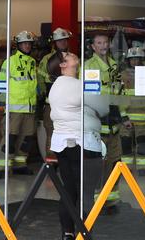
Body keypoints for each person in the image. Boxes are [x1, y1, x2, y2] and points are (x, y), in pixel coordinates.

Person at [47, 51, 108, 240]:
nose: (73, 53)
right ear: (63, 65)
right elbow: (103, 107)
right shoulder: (76, 86)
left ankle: (67, 232)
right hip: (84, 142)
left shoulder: (56, 87)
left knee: (69, 190)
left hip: (62, 144)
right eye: (67, 55)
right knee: (86, 192)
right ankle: (85, 233)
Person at [83, 31, 124, 209]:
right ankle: (97, 200)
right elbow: (88, 95)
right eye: (99, 43)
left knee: (115, 160)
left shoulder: (114, 65)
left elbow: (119, 92)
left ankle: (111, 197)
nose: (103, 46)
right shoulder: (89, 66)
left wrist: (123, 115)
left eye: (105, 42)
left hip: (114, 119)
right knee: (100, 162)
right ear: (93, 47)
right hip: (99, 119)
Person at [0, 30, 39, 173]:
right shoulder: (10, 62)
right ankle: (3, 167)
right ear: (18, 45)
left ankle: (20, 165)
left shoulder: (33, 62)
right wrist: (5, 106)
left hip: (29, 108)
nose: (27, 46)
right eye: (24, 44)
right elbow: (1, 85)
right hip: (14, 109)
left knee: (26, 140)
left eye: (29, 43)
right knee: (9, 139)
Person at [37, 28, 73, 158]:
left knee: (69, 135)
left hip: (69, 106)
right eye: (59, 41)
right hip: (51, 106)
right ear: (54, 43)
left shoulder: (73, 59)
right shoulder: (46, 60)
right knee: (51, 135)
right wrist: (43, 95)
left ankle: (66, 163)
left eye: (64, 40)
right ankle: (52, 166)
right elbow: (40, 81)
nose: (62, 42)